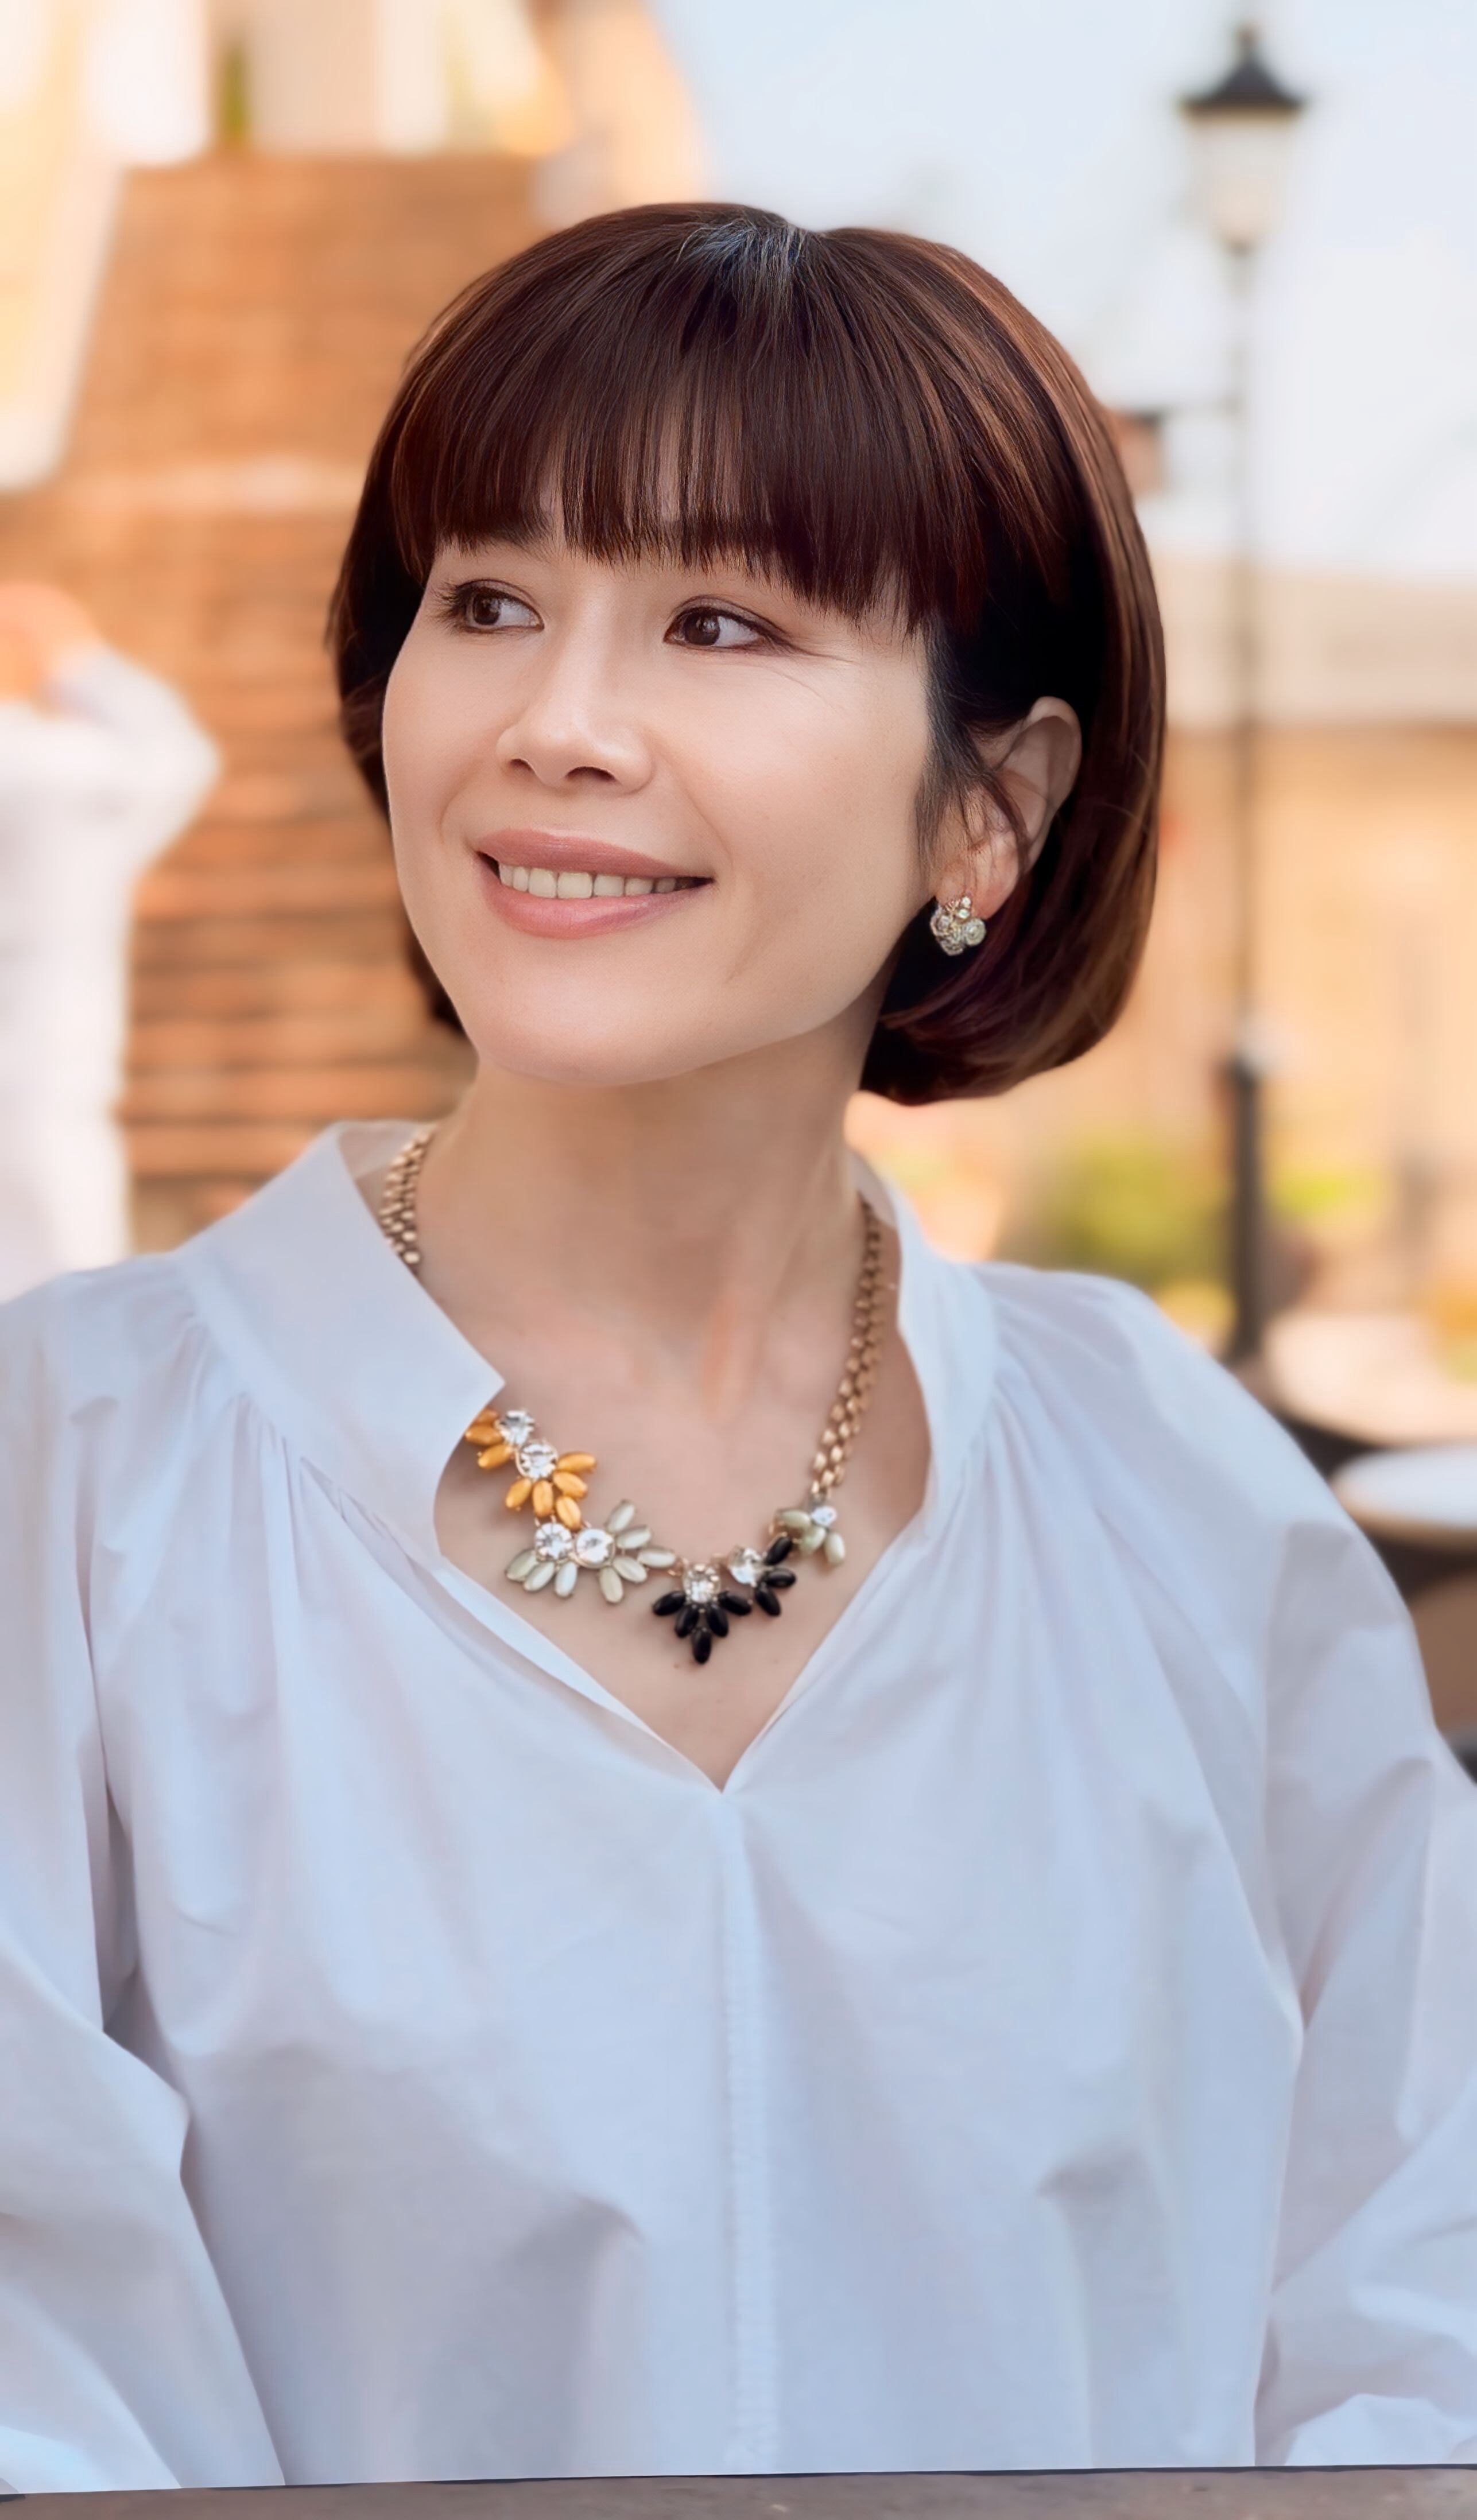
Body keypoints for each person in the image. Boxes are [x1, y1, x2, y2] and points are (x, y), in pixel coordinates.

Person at [1, 205, 1474, 2492]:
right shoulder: (75, 1476)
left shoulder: (1167, 1488)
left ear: (989, 803)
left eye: (719, 621)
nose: (553, 725)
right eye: (487, 600)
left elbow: (1424, 2289)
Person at [0, 582, 218, 1299]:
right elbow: (177, 761)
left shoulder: (48, 766)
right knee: (63, 1232)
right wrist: (81, 661)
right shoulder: (53, 766)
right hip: (50, 1040)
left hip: (47, 1032)